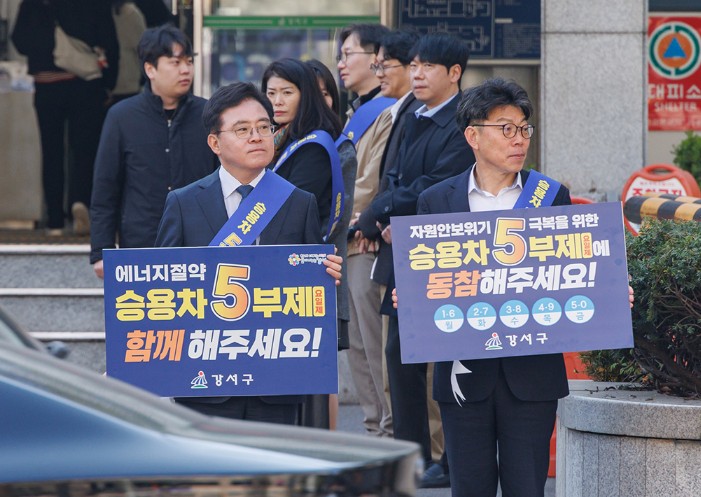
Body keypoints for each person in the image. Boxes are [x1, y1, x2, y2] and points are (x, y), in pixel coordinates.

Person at [416, 77, 572, 497]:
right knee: (469, 487)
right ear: (473, 136)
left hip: (532, 375)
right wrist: (407, 298)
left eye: (524, 128)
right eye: (506, 129)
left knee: (527, 488)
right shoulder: (436, 201)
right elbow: (419, 282)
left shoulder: (551, 196)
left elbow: (571, 274)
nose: (519, 139)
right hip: (462, 373)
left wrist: (608, 295)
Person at [154, 81, 343, 425]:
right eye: (242, 130)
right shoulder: (183, 203)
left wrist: (326, 275)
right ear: (215, 143)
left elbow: (311, 294)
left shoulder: (298, 202)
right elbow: (162, 288)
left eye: (263, 127)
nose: (256, 137)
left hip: (275, 383)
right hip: (204, 381)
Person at [356, 31, 474, 489]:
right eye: (415, 65)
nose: (417, 74)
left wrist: (381, 214)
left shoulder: (464, 123)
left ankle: (450, 458)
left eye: (427, 67)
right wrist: (386, 219)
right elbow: (395, 178)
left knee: (447, 356)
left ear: (455, 73)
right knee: (399, 354)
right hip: (403, 247)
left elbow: (437, 185)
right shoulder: (414, 115)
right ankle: (413, 456)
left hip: (444, 252)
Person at [261, 57, 357, 428]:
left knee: (314, 387)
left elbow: (290, 213)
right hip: (288, 278)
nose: (277, 101)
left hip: (306, 279)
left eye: (287, 92)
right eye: (270, 93)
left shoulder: (313, 146)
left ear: (307, 95)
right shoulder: (283, 139)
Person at [89, 25, 218, 278]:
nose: (185, 70)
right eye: (175, 62)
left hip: (202, 246)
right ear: (150, 69)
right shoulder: (122, 117)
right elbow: (105, 190)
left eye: (189, 61)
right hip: (142, 245)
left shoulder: (209, 115)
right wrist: (101, 251)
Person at [11, 0, 119, 235]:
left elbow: (19, 39)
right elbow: (110, 40)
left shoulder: (34, 3)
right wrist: (108, 83)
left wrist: (45, 49)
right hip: (85, 83)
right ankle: (81, 201)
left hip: (47, 85)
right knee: (84, 151)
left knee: (51, 151)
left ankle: (55, 220)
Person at [337, 22, 394, 440]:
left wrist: (343, 213)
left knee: (374, 344)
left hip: (366, 239)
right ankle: (374, 428)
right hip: (348, 239)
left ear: (376, 59)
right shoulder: (355, 113)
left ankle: (388, 430)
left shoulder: (387, 112)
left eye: (348, 54)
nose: (341, 64)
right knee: (356, 344)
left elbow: (370, 181)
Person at [110, 1, 147, 105]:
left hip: (104, 81)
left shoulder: (98, 12)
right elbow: (142, 47)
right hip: (128, 79)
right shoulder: (131, 13)